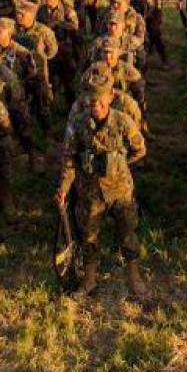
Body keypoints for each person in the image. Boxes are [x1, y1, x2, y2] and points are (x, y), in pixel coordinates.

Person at [55, 75, 147, 297]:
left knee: (127, 233)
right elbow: (69, 158)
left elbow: (140, 149)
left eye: (100, 102)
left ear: (109, 99)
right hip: (90, 191)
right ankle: (89, 280)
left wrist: (119, 164)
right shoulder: (78, 123)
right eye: (92, 103)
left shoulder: (123, 121)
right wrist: (64, 188)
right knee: (89, 236)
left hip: (120, 191)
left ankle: (134, 278)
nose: (96, 107)